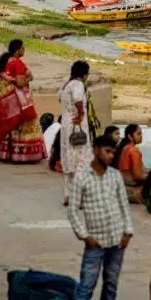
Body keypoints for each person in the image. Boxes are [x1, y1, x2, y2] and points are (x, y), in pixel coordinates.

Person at [67, 135, 134, 300]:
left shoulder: (115, 176)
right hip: (95, 242)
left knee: (111, 285)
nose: (111, 156)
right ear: (96, 150)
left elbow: (124, 205)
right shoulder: (81, 178)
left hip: (117, 240)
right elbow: (72, 210)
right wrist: (84, 236)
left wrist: (127, 232)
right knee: (86, 286)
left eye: (113, 152)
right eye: (107, 151)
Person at [0, 39, 46, 164]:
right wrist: (29, 79)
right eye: (22, 48)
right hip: (18, 102)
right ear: (17, 50)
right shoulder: (17, 63)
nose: (24, 50)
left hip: (6, 102)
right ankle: (21, 155)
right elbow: (20, 83)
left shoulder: (4, 61)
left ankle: (6, 154)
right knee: (23, 126)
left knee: (10, 128)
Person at [59, 60, 92, 202]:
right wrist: (80, 115)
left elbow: (60, 99)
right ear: (84, 74)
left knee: (68, 156)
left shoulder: (66, 85)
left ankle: (68, 193)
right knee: (81, 158)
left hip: (66, 123)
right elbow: (78, 101)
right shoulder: (78, 85)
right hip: (76, 124)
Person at [112, 123, 148, 204]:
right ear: (130, 137)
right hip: (133, 188)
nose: (141, 136)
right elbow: (137, 176)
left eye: (141, 133)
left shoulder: (125, 147)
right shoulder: (133, 151)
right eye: (138, 134)